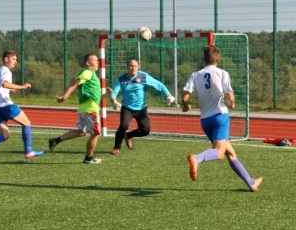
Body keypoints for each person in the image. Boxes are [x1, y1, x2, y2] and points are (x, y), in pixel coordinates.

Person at [182, 44, 263, 192]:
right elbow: (229, 94)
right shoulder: (222, 73)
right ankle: (197, 158)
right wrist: (232, 102)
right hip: (220, 116)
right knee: (219, 153)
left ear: (203, 59)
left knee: (230, 153)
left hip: (205, 120)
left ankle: (251, 183)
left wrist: (185, 106)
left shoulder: (195, 75)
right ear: (218, 60)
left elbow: (185, 96)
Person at [0, 50, 44, 163]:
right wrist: (22, 87)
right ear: (6, 59)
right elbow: (5, 83)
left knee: (5, 134)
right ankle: (28, 150)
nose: (15, 61)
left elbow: (1, 85)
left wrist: (11, 88)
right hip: (5, 105)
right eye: (13, 59)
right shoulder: (6, 71)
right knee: (26, 122)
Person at [48, 53, 112, 164]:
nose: (98, 62)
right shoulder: (88, 72)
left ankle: (55, 141)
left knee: (82, 132)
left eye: (98, 60)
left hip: (85, 108)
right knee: (96, 133)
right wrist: (64, 97)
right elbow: (75, 83)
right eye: (95, 60)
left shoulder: (93, 76)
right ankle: (88, 158)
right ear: (88, 63)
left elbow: (95, 98)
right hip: (90, 110)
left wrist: (106, 94)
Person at [109, 59, 175, 155]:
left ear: (138, 67)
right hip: (127, 108)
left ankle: (128, 136)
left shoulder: (143, 76)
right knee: (123, 126)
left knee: (145, 131)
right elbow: (114, 92)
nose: (133, 68)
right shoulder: (121, 79)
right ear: (127, 67)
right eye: (131, 66)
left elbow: (158, 84)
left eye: (135, 66)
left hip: (141, 108)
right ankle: (116, 147)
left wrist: (168, 95)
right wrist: (114, 102)